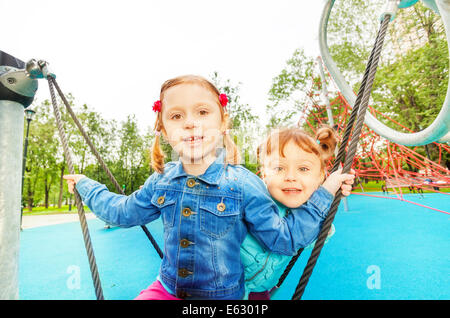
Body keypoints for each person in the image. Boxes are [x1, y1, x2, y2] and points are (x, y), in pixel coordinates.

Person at [63, 75, 354, 300]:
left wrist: (325, 192)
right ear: (163, 129)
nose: (190, 123)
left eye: (202, 112)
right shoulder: (161, 180)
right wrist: (86, 186)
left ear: (223, 121)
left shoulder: (243, 184)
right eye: (177, 116)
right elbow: (121, 212)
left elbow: (285, 239)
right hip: (167, 287)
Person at [241, 126, 340, 300]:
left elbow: (318, 235)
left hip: (258, 291)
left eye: (303, 169)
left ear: (319, 177)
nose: (291, 177)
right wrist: (326, 192)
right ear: (264, 174)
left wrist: (331, 191)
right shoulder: (255, 204)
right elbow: (285, 238)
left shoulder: (308, 213)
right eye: (279, 168)